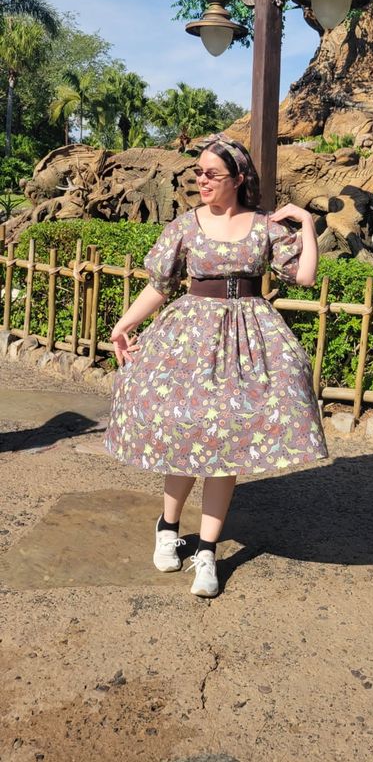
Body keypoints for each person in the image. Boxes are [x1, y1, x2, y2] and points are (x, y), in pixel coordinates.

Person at [104, 134, 328, 597]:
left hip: (247, 339)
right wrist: (124, 324)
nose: (201, 181)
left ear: (238, 179)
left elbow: (304, 276)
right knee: (185, 432)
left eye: (211, 174)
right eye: (199, 173)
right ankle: (168, 527)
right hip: (190, 337)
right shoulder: (186, 225)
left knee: (227, 436)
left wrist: (306, 222)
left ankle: (206, 550)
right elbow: (160, 285)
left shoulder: (264, 226)